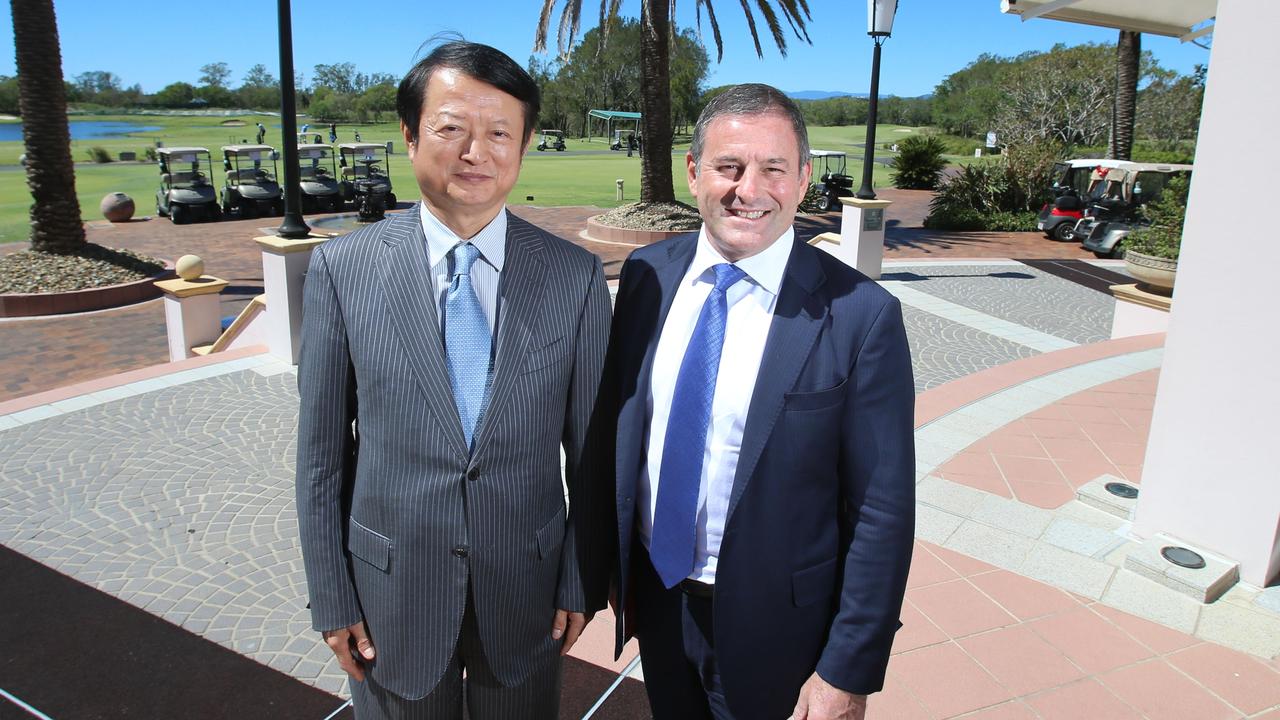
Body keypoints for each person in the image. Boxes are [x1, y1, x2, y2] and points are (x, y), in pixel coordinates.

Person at [296, 40, 611, 719]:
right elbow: (322, 455)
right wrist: (332, 594)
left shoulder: (574, 278)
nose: (477, 151)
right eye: (451, 128)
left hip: (526, 590)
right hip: (389, 595)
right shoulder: (341, 272)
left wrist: (581, 580)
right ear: (410, 137)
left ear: (524, 146)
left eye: (500, 132)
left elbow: (589, 453)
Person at [603, 83, 916, 720]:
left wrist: (846, 669)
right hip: (658, 599)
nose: (749, 189)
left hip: (782, 630)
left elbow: (883, 510)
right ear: (693, 174)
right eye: (728, 166)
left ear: (802, 180)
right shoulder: (646, 276)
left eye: (773, 168)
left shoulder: (861, 315)